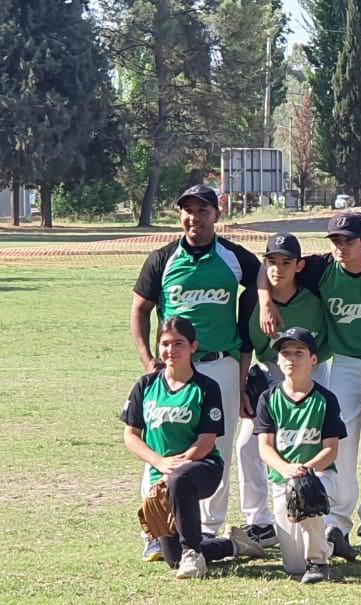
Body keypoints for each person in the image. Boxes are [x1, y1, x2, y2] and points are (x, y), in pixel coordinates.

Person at [259, 212, 361, 558]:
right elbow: (266, 267)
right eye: (336, 240)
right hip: (344, 362)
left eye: (349, 240)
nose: (341, 246)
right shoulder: (321, 267)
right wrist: (265, 301)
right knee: (341, 442)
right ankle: (337, 523)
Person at [131, 185, 261, 555]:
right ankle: (158, 529)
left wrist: (264, 307)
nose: (194, 218)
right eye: (188, 210)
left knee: (216, 448)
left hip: (220, 364)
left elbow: (264, 281)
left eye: (203, 210)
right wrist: (148, 361)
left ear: (217, 214)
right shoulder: (163, 259)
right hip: (172, 367)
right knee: (164, 440)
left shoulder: (233, 257)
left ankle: (207, 529)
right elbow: (140, 308)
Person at [121, 317, 265, 578]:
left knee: (180, 480)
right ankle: (233, 544)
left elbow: (207, 440)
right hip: (160, 473)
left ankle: (192, 554)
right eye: (165, 344)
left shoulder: (206, 387)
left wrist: (174, 469)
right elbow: (131, 436)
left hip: (203, 467)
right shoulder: (146, 385)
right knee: (172, 558)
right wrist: (159, 463)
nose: (171, 350)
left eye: (179, 343)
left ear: (193, 347)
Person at [235, 232, 332, 550]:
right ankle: (259, 521)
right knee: (247, 444)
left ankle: (322, 517)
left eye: (286, 262)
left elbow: (346, 256)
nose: (278, 268)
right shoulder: (250, 299)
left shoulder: (314, 288)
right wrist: (241, 388)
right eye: (272, 261)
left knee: (313, 442)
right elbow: (245, 347)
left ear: (299, 265)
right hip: (269, 371)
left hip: (314, 370)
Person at [253, 327, 346, 583]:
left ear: (313, 359)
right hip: (282, 478)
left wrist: (306, 470)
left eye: (299, 353)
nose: (291, 358)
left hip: (319, 474)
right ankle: (331, 542)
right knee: (294, 566)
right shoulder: (268, 398)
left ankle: (318, 562)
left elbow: (331, 449)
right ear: (278, 359)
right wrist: (286, 469)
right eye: (285, 353)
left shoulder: (326, 399)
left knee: (306, 487)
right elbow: (265, 448)